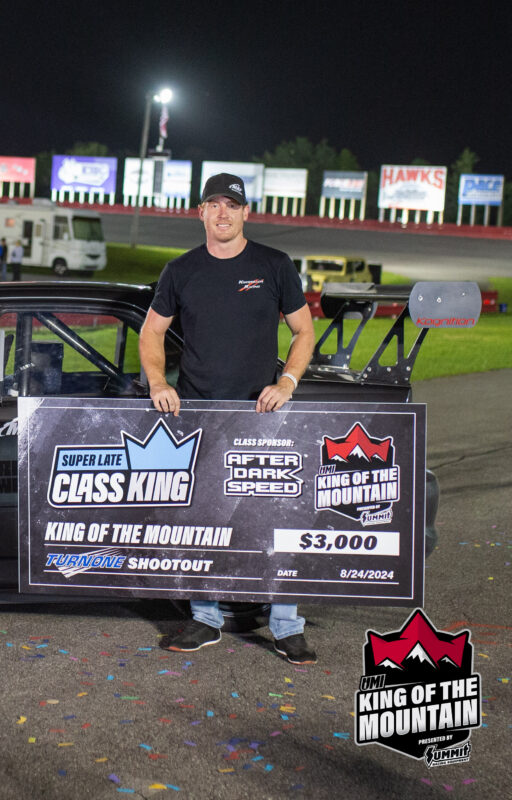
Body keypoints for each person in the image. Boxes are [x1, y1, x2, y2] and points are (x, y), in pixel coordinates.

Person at [138, 173, 317, 665]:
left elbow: (304, 331)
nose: (222, 214)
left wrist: (287, 383)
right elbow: (151, 333)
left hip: (261, 417)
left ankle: (286, 627)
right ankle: (206, 618)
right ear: (200, 212)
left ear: (244, 213)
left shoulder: (274, 265)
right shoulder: (180, 270)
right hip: (199, 415)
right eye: (213, 205)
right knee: (203, 520)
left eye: (231, 206)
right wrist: (158, 383)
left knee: (272, 519)